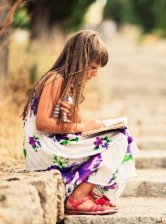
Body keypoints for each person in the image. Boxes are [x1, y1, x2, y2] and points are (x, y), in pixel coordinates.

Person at [20, 30, 139, 215]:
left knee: (120, 135)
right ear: (78, 60)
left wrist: (89, 123)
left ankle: (86, 193)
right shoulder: (55, 79)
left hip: (54, 142)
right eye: (92, 67)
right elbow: (42, 124)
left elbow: (67, 120)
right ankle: (77, 198)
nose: (95, 74)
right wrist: (82, 127)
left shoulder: (69, 82)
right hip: (44, 148)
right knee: (119, 140)